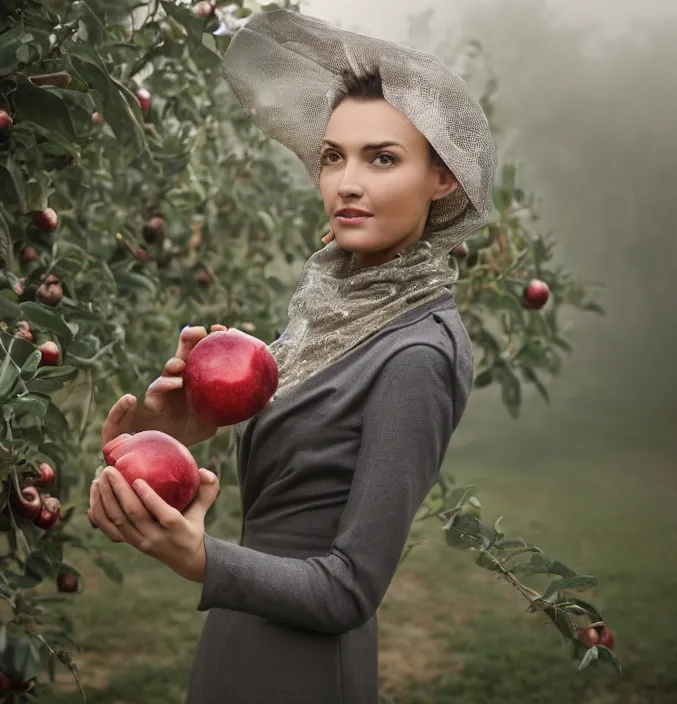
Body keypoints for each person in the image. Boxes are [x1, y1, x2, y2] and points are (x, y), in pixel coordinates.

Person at [88, 9, 496, 703]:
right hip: (240, 636)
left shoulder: (418, 351)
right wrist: (177, 436)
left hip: (304, 668)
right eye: (333, 156)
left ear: (445, 177)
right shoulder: (335, 314)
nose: (346, 182)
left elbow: (348, 589)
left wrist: (202, 559)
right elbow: (291, 488)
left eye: (383, 158)